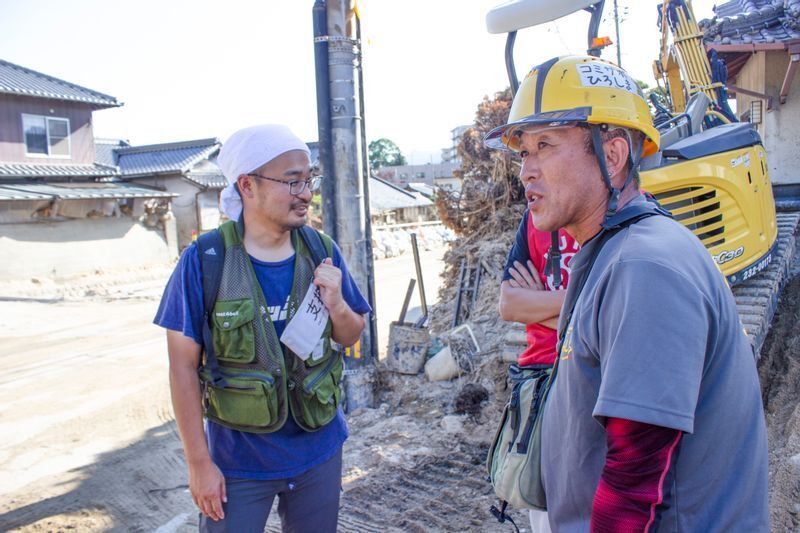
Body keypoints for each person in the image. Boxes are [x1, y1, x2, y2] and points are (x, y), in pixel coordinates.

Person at [485, 55, 769, 532]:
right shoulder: (613, 254)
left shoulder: (645, 268)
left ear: (612, 155)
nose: (525, 171)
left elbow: (635, 476)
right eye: (523, 152)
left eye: (545, 145)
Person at [154, 124, 370, 532]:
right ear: (247, 185)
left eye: (308, 179)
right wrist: (199, 463)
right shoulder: (206, 260)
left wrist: (338, 304)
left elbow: (351, 334)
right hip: (238, 465)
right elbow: (182, 367)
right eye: (291, 181)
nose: (306, 192)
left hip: (319, 453)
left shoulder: (321, 251)